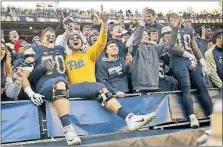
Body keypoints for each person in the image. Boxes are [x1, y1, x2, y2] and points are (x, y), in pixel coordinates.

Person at [65, 9, 156, 136]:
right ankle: (130, 118)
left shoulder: (89, 54)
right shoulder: (65, 58)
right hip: (77, 92)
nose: (75, 39)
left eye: (77, 37)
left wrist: (104, 22)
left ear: (82, 41)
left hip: (93, 91)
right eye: (72, 38)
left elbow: (102, 42)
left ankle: (130, 119)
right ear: (68, 44)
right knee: (101, 87)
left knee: (103, 95)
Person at [29, 27, 81, 146]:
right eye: (48, 36)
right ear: (42, 40)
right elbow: (30, 78)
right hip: (45, 85)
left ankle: (129, 118)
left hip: (64, 85)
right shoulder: (35, 50)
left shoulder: (61, 49)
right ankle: (68, 129)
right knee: (60, 82)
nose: (51, 37)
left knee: (97, 87)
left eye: (53, 35)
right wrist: (42, 67)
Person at [169, 13, 213, 128]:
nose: (175, 20)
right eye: (172, 18)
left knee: (202, 85)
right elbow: (173, 46)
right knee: (186, 87)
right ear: (169, 21)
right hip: (178, 59)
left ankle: (212, 114)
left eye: (176, 17)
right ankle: (192, 116)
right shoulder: (168, 30)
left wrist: (203, 63)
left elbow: (195, 47)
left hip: (191, 59)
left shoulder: (188, 30)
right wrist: (190, 56)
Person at [129, 9, 181, 93]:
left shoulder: (154, 48)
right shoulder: (135, 49)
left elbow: (170, 45)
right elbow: (136, 39)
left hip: (155, 85)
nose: (145, 36)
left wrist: (174, 29)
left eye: (146, 35)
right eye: (143, 35)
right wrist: (142, 22)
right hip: (140, 87)